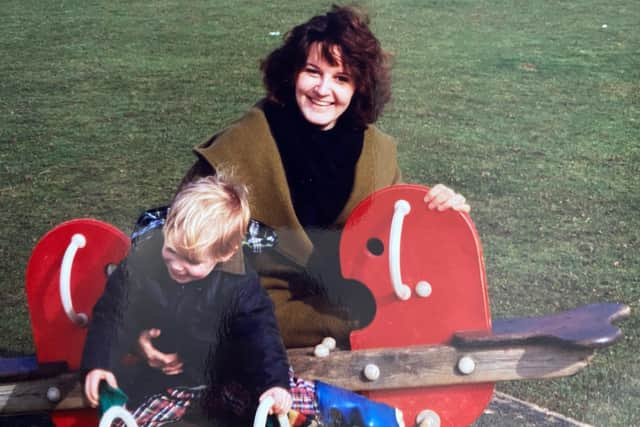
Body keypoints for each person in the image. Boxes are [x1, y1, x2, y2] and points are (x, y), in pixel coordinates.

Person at [174, 5, 470, 348]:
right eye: (313, 72)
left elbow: (400, 243)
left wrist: (439, 209)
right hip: (251, 317)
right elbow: (177, 240)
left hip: (351, 307)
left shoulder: (378, 152)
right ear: (291, 73)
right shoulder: (239, 147)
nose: (323, 89)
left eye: (341, 78)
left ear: (359, 87)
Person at [81, 175, 292, 426]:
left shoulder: (240, 282)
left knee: (280, 406)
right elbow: (113, 315)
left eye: (192, 261)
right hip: (168, 378)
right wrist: (100, 363)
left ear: (225, 253)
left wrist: (274, 384)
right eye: (171, 251)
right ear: (167, 226)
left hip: (229, 373)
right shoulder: (142, 264)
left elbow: (261, 336)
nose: (178, 267)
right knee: (127, 420)